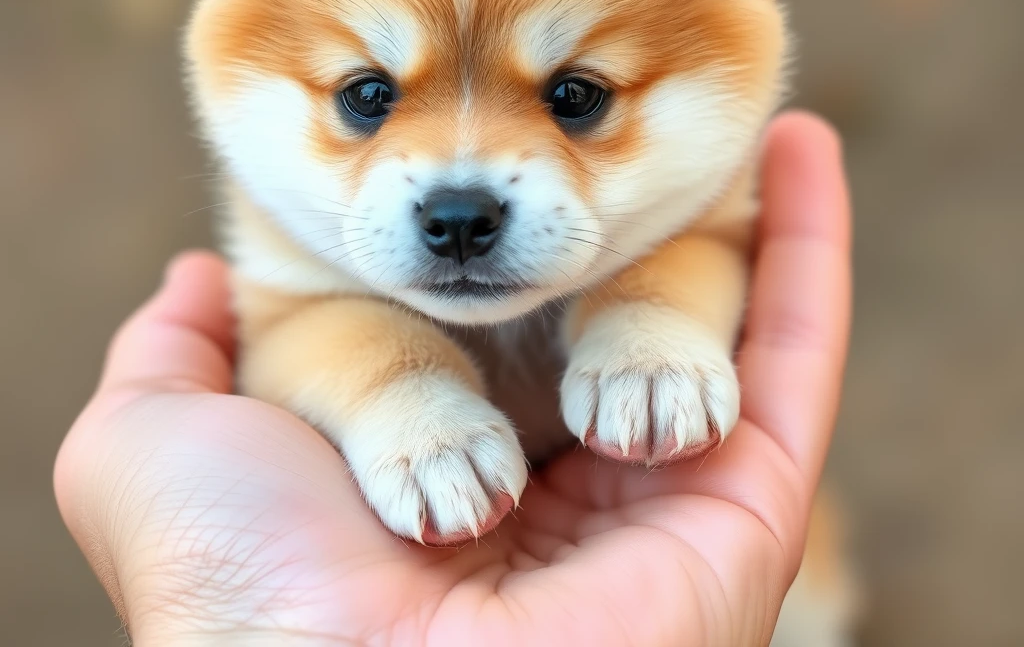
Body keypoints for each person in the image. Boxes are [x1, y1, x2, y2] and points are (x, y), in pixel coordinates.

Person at [55, 112, 851, 647]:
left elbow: (701, 237)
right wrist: (395, 391)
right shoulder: (288, 210)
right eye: (369, 98)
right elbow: (293, 328)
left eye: (573, 97)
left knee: (804, 607)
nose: (458, 190)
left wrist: (652, 317)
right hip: (631, 548)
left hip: (671, 522)